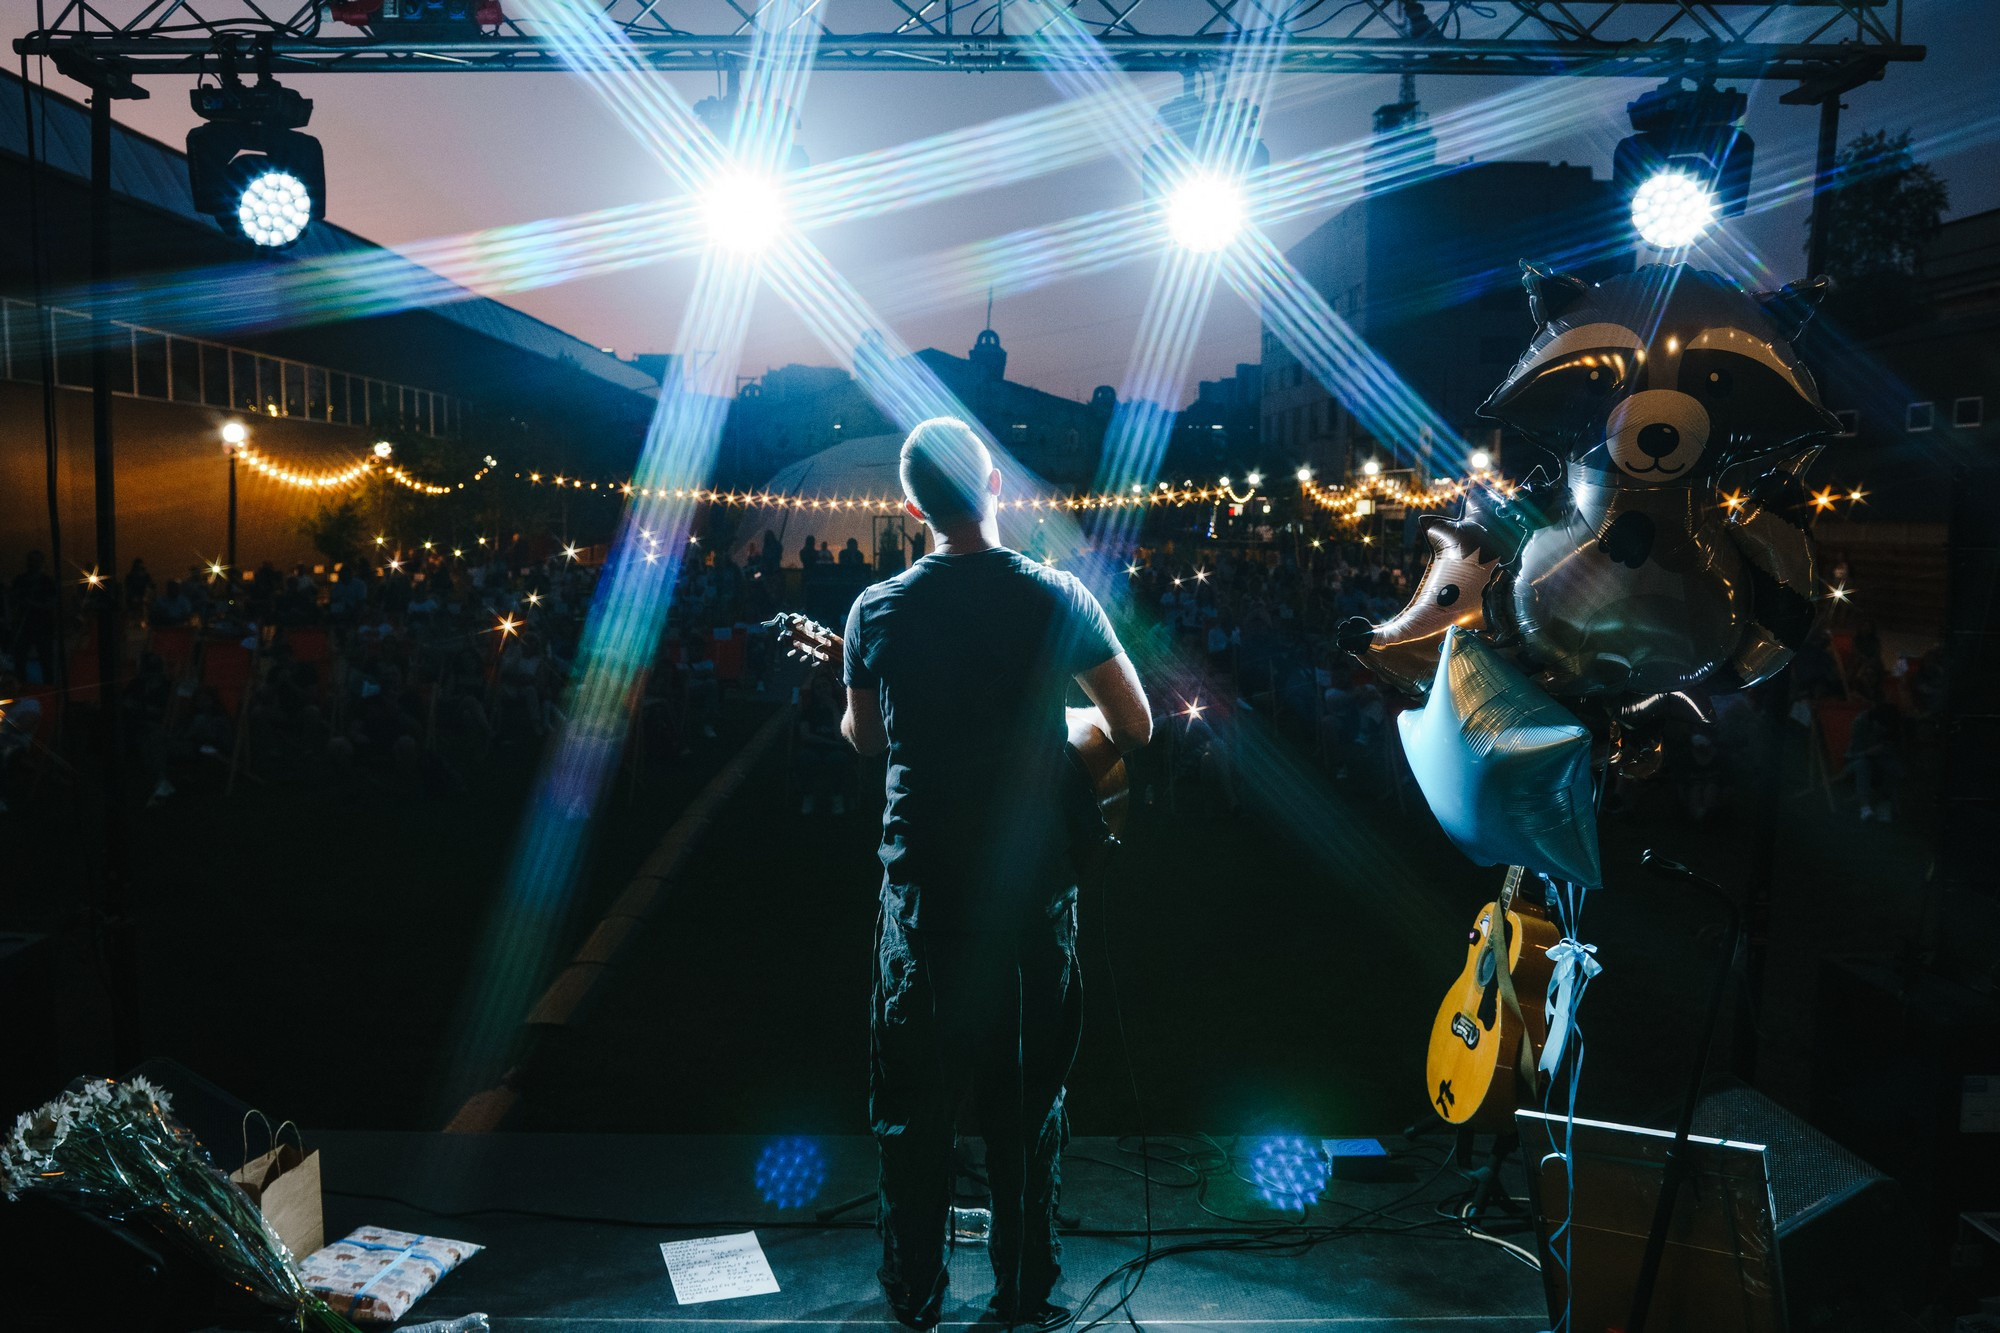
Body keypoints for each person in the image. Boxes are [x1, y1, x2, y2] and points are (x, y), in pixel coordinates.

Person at [839, 417, 1151, 1331]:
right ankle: (1022, 1290)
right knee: (1028, 1098)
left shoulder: (875, 609)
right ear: (995, 488)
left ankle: (916, 1293)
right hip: (1032, 891)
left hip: (923, 887)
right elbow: (1133, 725)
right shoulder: (1058, 596)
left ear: (911, 508)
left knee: (913, 1103)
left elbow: (867, 739)